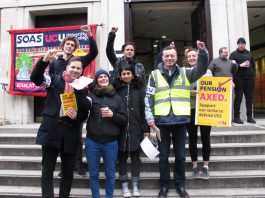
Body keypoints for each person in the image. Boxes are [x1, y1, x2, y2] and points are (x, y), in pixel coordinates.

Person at [145, 41, 208, 198]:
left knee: (180, 156)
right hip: (161, 122)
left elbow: (201, 69)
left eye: (172, 56)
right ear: (162, 57)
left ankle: (180, 185)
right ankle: (164, 186)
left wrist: (203, 52)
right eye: (167, 56)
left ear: (176, 57)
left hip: (180, 121)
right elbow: (149, 98)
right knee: (164, 156)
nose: (169, 58)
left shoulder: (186, 72)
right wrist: (149, 118)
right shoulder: (154, 75)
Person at [30, 56, 90, 198]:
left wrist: (77, 117)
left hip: (70, 133)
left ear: (82, 71)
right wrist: (44, 61)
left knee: (68, 172)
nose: (75, 70)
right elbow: (36, 77)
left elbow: (85, 112)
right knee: (47, 171)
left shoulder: (82, 88)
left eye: (78, 68)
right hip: (51, 130)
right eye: (73, 67)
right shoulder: (54, 80)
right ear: (67, 68)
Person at [48, 25, 98, 177]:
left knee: (76, 135)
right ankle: (64, 168)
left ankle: (78, 164)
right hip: (59, 105)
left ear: (75, 48)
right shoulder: (54, 63)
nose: (69, 46)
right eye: (67, 44)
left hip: (77, 103)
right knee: (61, 138)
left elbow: (94, 53)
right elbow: (50, 83)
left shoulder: (79, 60)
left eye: (72, 45)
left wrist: (90, 35)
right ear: (63, 46)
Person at [85, 69, 127, 198]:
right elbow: (83, 106)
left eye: (105, 77)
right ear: (96, 81)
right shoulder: (91, 96)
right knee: (93, 174)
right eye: (100, 77)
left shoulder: (117, 98)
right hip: (92, 141)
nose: (103, 78)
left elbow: (124, 120)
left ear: (109, 79)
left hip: (111, 142)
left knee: (110, 174)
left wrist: (113, 115)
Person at [113, 65, 149, 197]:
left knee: (135, 157)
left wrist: (146, 129)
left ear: (133, 75)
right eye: (124, 74)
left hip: (136, 128)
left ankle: (135, 185)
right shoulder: (116, 90)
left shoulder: (139, 90)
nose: (126, 76)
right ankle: (124, 185)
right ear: (120, 75)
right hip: (120, 129)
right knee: (121, 157)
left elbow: (144, 110)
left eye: (128, 73)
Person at [184, 48, 212, 180]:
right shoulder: (183, 72)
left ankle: (206, 166)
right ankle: (195, 166)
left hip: (205, 109)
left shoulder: (208, 72)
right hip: (190, 109)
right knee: (192, 138)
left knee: (206, 137)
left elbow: (212, 89)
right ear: (186, 58)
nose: (191, 58)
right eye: (189, 56)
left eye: (194, 56)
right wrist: (186, 92)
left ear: (198, 57)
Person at [229, 37, 256, 124]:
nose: (240, 45)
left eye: (242, 44)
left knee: (249, 98)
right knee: (238, 98)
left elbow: (253, 65)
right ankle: (236, 117)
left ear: (245, 44)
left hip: (249, 79)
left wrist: (253, 76)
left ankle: (249, 117)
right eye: (239, 44)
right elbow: (231, 67)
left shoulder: (249, 53)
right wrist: (240, 65)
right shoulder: (233, 54)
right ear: (237, 44)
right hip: (238, 78)